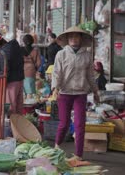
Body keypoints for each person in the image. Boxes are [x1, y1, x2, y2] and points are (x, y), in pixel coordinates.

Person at [52, 26, 100, 160]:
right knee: (64, 123)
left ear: (81, 39)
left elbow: (90, 75)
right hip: (64, 93)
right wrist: (55, 88)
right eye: (71, 36)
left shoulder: (86, 55)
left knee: (80, 124)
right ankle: (57, 145)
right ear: (67, 39)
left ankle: (78, 155)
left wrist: (96, 92)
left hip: (81, 93)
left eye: (76, 36)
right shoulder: (61, 54)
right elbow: (57, 73)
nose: (74, 39)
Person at [0, 32, 25, 115]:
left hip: (11, 82)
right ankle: (18, 127)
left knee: (10, 108)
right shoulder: (13, 46)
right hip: (19, 79)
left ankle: (11, 127)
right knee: (18, 108)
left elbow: (4, 70)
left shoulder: (4, 52)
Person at [22, 34, 41, 98]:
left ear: (23, 41)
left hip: (21, 72)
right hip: (31, 71)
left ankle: (22, 107)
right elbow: (39, 63)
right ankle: (28, 106)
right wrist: (35, 68)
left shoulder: (20, 49)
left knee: (23, 91)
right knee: (29, 91)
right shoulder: (35, 50)